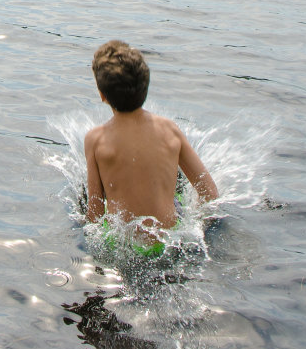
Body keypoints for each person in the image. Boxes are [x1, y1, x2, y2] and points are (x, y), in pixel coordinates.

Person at [83, 39, 219, 256]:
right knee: (178, 193)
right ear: (145, 87)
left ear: (102, 95)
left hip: (124, 244)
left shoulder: (95, 140)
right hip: (170, 240)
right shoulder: (170, 130)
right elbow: (209, 193)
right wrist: (193, 225)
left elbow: (95, 213)